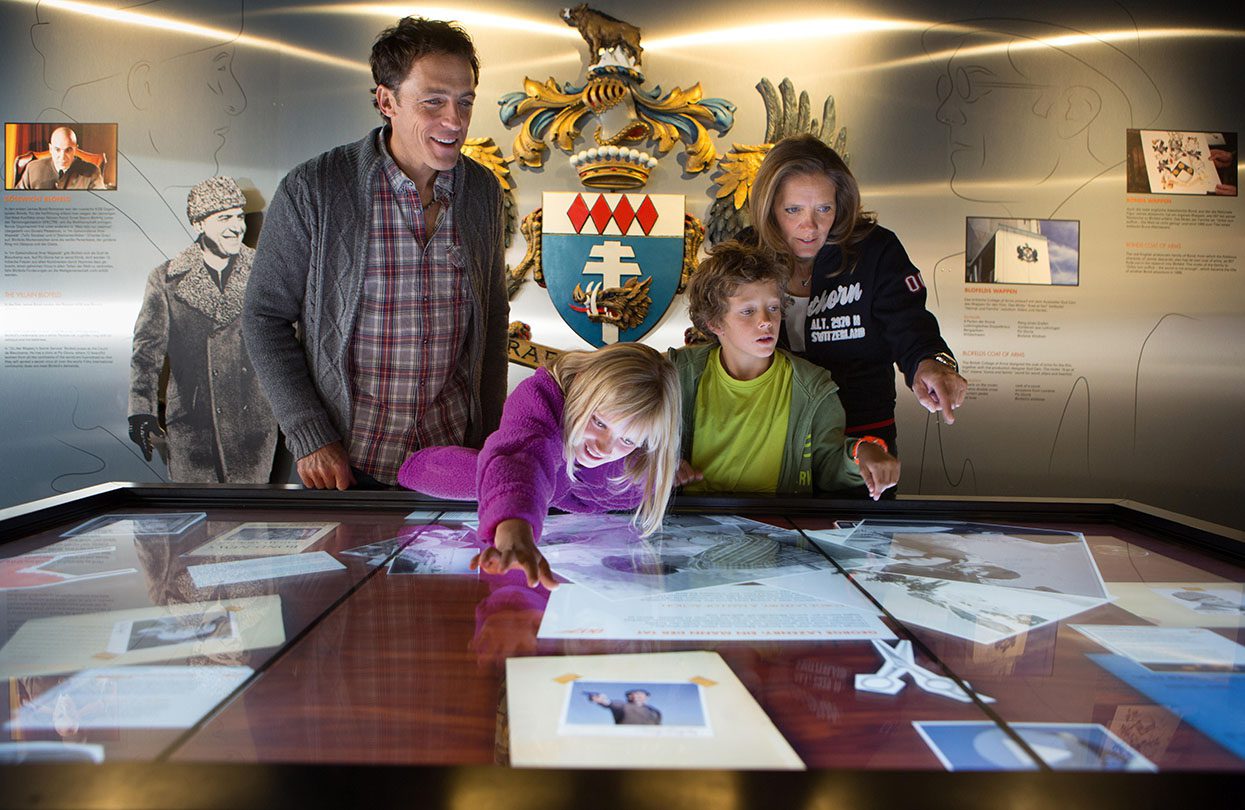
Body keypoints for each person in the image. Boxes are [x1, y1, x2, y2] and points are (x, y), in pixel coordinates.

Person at [243, 17, 508, 490]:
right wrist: (309, 435)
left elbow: (490, 324)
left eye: (465, 101)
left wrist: (489, 442)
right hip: (347, 464)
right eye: (433, 102)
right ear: (387, 101)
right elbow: (264, 316)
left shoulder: (482, 190)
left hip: (451, 460)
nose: (455, 121)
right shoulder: (315, 188)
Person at [747, 135, 967, 458]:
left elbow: (910, 325)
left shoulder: (877, 252)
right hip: (768, 441)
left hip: (863, 446)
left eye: (824, 209)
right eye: (793, 210)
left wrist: (930, 363)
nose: (810, 227)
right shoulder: (746, 255)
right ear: (770, 208)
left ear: (841, 203)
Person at [398, 342, 683, 590]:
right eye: (599, 422)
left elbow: (654, 469)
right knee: (478, 473)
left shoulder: (642, 465)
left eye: (627, 439)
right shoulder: (541, 396)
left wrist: (672, 473)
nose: (604, 447)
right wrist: (514, 526)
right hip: (518, 483)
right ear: (582, 387)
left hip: (582, 540)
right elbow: (522, 454)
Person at [669, 241, 899, 499]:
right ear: (714, 323)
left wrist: (862, 452)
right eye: (747, 311)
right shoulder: (676, 375)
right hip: (694, 527)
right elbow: (633, 443)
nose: (766, 321)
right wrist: (659, 464)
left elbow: (827, 464)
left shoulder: (813, 385)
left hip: (777, 525)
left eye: (773, 307)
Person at [128, 176, 278, 483]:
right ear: (199, 224)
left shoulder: (265, 272)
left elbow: (290, 345)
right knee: (195, 521)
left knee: (251, 523)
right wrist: (141, 410)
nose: (237, 227)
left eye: (239, 216)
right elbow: (147, 350)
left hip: (252, 428)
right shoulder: (166, 278)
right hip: (191, 428)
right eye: (224, 218)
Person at [16, 127, 106, 190]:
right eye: (57, 149)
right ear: (50, 149)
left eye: (68, 150)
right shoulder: (32, 169)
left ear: (75, 149)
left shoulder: (92, 172)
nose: (62, 157)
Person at [587, 689, 662, 725]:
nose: (636, 696)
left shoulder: (655, 711)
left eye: (640, 694)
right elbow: (609, 703)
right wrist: (599, 699)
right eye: (633, 694)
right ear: (629, 697)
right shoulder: (622, 706)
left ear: (647, 697)